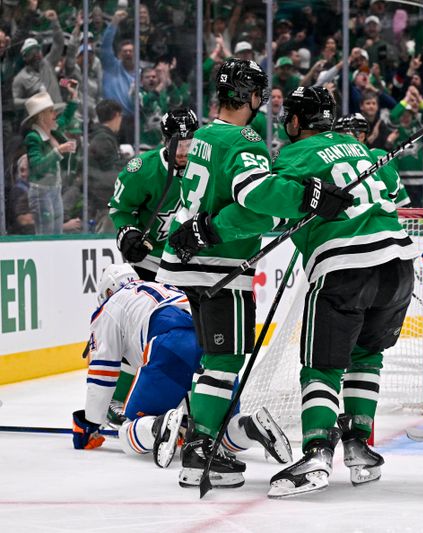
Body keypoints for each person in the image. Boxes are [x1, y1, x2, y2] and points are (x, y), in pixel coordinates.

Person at [184, 86, 415, 499]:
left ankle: (318, 453)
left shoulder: (291, 156)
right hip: (399, 265)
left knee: (321, 366)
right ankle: (359, 446)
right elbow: (397, 196)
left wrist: (211, 229)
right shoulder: (361, 148)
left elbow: (261, 207)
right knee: (366, 357)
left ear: (293, 121)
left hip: (344, 265)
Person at [157, 60, 352, 490]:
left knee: (215, 359)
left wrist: (287, 219)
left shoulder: (203, 135)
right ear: (249, 97)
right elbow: (254, 195)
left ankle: (201, 439)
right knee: (225, 361)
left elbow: (235, 204)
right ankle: (201, 449)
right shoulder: (245, 140)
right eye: (259, 94)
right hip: (219, 264)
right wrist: (310, 196)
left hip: (188, 260)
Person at [71, 264, 291, 470]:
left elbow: (103, 370)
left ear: (108, 292)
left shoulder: (111, 305)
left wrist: (91, 422)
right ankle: (251, 426)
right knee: (215, 431)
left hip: (172, 344)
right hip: (215, 349)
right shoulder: (163, 287)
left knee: (128, 432)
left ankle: (157, 426)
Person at [110, 108, 200, 281]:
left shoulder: (209, 167)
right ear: (165, 141)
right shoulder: (143, 170)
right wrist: (128, 232)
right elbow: (119, 209)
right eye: (177, 144)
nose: (183, 151)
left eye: (189, 143)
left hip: (194, 265)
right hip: (151, 263)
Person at [22, 92, 78, 235]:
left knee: (57, 233)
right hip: (41, 192)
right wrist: (58, 151)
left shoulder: (52, 130)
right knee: (46, 234)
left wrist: (73, 98)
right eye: (51, 111)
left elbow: (66, 118)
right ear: (41, 116)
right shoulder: (33, 137)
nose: (55, 114)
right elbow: (38, 166)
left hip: (54, 189)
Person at [332, 112, 410, 207]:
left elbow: (399, 200)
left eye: (355, 132)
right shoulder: (333, 160)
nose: (345, 137)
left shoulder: (379, 155)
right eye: (341, 134)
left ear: (363, 135)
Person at [88, 99, 125, 233]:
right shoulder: (103, 138)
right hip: (104, 200)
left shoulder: (104, 137)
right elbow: (110, 170)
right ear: (116, 115)